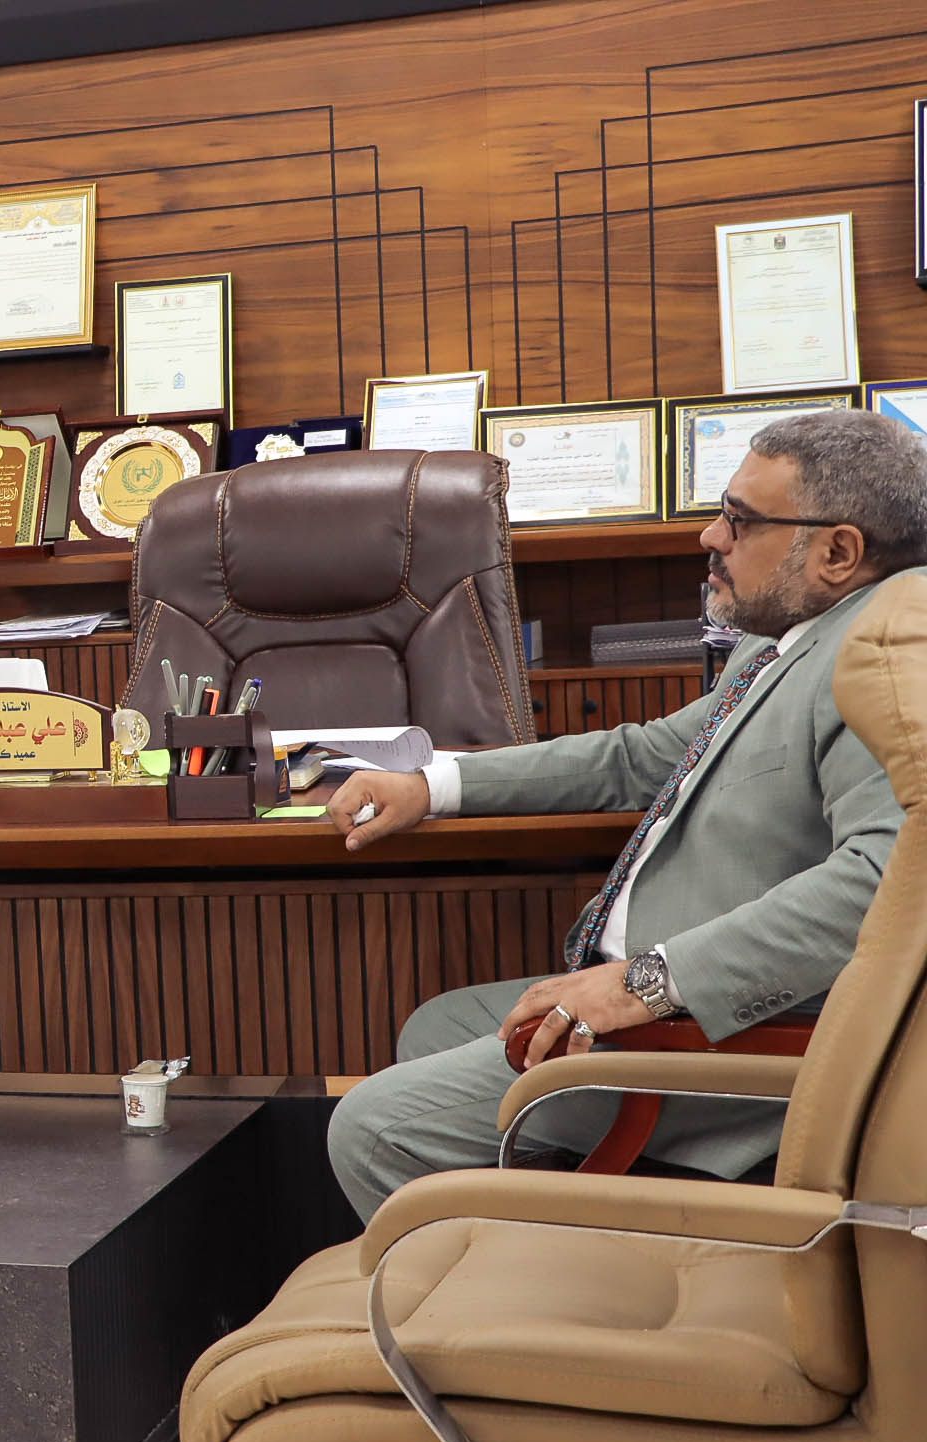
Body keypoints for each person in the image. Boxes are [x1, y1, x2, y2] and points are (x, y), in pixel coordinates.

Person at [325, 409, 927, 1220]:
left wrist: (647, 985)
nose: (711, 536)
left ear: (838, 552)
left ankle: (509, 1294)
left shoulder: (887, 657)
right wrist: (435, 785)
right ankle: (560, 1239)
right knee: (439, 1025)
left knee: (373, 1129)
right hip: (660, 995)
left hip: (730, 1031)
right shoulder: (785, 639)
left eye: (740, 520)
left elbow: (882, 886)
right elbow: (643, 756)